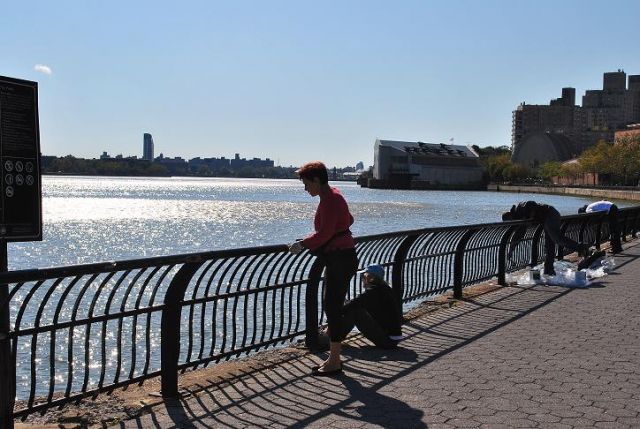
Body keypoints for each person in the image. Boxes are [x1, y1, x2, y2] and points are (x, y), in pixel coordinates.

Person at [288, 161, 358, 376]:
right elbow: (349, 220)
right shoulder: (335, 195)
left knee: (332, 308)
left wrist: (302, 244)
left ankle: (334, 360)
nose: (305, 188)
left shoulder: (329, 200)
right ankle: (333, 356)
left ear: (317, 180)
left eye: (306, 183)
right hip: (343, 257)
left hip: (339, 258)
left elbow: (325, 233)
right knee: (333, 305)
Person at [502, 201, 593, 275]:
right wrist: (511, 250)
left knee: (557, 239)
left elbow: (531, 203)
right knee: (549, 245)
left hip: (550, 215)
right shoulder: (519, 219)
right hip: (547, 219)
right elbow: (518, 236)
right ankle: (549, 269)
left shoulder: (520, 208)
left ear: (510, 215)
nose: (512, 223)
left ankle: (581, 248)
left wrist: (530, 217)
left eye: (510, 221)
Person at [339, 264, 403, 349]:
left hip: (387, 341)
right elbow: (357, 302)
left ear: (370, 278)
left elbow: (351, 305)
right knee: (354, 308)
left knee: (355, 311)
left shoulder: (373, 292)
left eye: (363, 276)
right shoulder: (385, 289)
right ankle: (334, 336)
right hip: (393, 338)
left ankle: (334, 339)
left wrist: (334, 311)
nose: (362, 279)